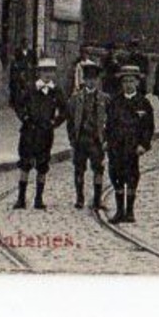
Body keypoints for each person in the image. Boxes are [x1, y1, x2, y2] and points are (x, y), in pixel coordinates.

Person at [13, 56, 67, 210]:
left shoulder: (56, 91)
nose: (47, 74)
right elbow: (18, 104)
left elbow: (64, 110)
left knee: (42, 164)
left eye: (50, 71)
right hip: (29, 132)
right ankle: (21, 199)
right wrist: (24, 117)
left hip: (45, 133)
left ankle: (38, 198)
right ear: (38, 73)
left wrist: (54, 123)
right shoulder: (31, 88)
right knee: (25, 163)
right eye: (44, 71)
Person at [106, 64, 155, 224]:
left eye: (131, 81)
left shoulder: (143, 103)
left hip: (133, 147)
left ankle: (130, 211)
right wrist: (106, 141)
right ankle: (119, 210)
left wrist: (144, 144)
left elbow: (148, 127)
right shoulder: (115, 102)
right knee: (116, 176)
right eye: (125, 81)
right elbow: (109, 124)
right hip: (116, 146)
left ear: (137, 83)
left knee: (132, 177)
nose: (128, 84)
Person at [65, 59, 107, 212]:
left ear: (97, 80)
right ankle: (79, 198)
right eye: (88, 79)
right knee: (79, 169)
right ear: (84, 80)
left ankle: (97, 199)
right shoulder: (76, 99)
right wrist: (72, 139)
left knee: (98, 169)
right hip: (81, 140)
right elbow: (70, 121)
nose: (91, 82)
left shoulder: (104, 99)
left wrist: (106, 139)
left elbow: (109, 121)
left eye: (94, 79)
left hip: (97, 140)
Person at [8, 44, 35, 112]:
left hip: (25, 75)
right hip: (18, 76)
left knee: (25, 88)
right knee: (18, 89)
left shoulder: (29, 53)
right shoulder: (16, 61)